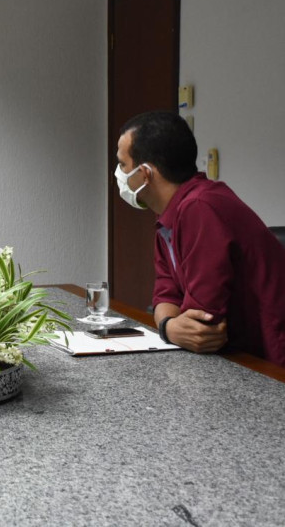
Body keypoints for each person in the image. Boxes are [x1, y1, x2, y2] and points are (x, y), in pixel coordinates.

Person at [114, 111, 285, 366]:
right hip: (236, 359)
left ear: (145, 173)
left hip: (267, 366)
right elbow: (164, 296)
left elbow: (202, 324)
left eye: (123, 164)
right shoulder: (169, 218)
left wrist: (169, 325)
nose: (119, 173)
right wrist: (169, 326)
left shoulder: (200, 207)